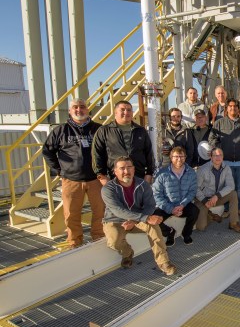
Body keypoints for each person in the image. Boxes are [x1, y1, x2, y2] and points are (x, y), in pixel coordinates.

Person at [42, 98, 105, 247]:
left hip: (96, 179)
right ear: (70, 111)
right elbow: (47, 151)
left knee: (100, 211)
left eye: (82, 107)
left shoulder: (98, 129)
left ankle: (99, 237)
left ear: (87, 110)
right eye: (75, 107)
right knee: (71, 214)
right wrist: (58, 170)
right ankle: (74, 241)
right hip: (71, 180)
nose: (79, 110)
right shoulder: (60, 130)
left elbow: (107, 151)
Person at [101, 156, 177, 275]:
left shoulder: (143, 184)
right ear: (115, 171)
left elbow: (150, 205)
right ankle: (127, 253)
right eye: (122, 168)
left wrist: (135, 221)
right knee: (114, 242)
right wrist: (144, 218)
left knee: (154, 227)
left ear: (134, 169)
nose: (126, 171)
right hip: (115, 219)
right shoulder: (108, 189)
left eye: (129, 167)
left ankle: (163, 262)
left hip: (138, 218)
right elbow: (117, 210)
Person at [209, 98, 240, 216]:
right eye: (230, 106)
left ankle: (239, 208)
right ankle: (226, 209)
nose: (232, 108)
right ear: (227, 108)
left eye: (235, 106)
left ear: (238, 108)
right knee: (226, 188)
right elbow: (212, 138)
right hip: (226, 162)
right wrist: (220, 148)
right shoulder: (219, 123)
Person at [92, 100, 154, 184]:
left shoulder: (140, 130)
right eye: (122, 109)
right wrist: (102, 176)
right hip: (114, 178)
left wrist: (149, 174)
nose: (126, 112)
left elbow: (149, 153)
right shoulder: (104, 131)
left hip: (138, 177)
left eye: (129, 110)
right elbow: (97, 154)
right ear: (115, 113)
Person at [152, 146, 199, 246]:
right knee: (153, 217)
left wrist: (182, 205)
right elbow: (157, 194)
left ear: (185, 157)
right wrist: (171, 209)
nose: (179, 159)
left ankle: (186, 233)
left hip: (183, 205)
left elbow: (192, 191)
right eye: (176, 156)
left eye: (181, 156)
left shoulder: (191, 172)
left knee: (195, 211)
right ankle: (169, 232)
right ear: (171, 157)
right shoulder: (162, 173)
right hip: (167, 205)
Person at [195, 147, 240, 233]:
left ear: (223, 156)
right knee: (201, 227)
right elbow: (195, 188)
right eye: (215, 155)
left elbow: (231, 185)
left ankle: (234, 223)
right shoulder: (202, 169)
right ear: (211, 157)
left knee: (233, 194)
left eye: (220, 155)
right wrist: (205, 201)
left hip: (216, 197)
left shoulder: (226, 168)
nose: (218, 158)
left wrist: (217, 196)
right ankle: (211, 216)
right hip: (203, 199)